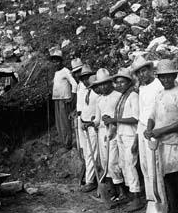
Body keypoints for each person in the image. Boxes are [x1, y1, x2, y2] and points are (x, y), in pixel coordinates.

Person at [145, 59, 178, 213]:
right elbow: (152, 115)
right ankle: (172, 207)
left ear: (174, 76)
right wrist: (149, 129)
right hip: (161, 143)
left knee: (175, 177)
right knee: (166, 177)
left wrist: (160, 131)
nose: (165, 80)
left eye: (168, 77)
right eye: (162, 77)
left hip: (175, 142)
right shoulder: (160, 95)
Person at [131, 56, 163, 206]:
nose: (142, 75)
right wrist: (137, 138)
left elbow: (161, 111)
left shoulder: (158, 85)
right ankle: (151, 199)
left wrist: (153, 130)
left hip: (154, 128)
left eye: (144, 71)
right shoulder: (142, 88)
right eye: (139, 73)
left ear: (150, 70)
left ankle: (160, 199)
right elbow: (141, 115)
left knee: (153, 165)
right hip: (143, 128)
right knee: (144, 164)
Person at [111, 68, 143, 211]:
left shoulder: (133, 96)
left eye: (122, 82)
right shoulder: (122, 96)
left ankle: (137, 198)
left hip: (131, 135)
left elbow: (136, 118)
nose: (119, 85)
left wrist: (115, 119)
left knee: (131, 165)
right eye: (117, 82)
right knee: (124, 164)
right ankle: (130, 195)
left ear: (129, 82)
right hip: (121, 134)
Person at [92, 68, 125, 203]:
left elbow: (121, 115)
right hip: (102, 133)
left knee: (113, 162)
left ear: (110, 82)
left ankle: (123, 191)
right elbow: (97, 120)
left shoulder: (118, 96)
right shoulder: (99, 100)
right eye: (100, 84)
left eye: (105, 83)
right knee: (105, 162)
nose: (103, 86)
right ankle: (113, 192)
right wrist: (90, 123)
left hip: (115, 132)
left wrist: (112, 123)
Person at [74, 64, 98, 193]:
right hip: (84, 124)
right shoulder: (83, 89)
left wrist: (91, 122)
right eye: (83, 78)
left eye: (87, 77)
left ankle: (90, 181)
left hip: (93, 125)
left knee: (92, 153)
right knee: (86, 152)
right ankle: (89, 178)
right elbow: (82, 107)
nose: (85, 80)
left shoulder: (96, 90)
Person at [50, 49, 77, 148]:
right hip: (57, 100)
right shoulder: (56, 73)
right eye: (53, 61)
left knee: (65, 122)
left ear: (61, 61)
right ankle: (64, 142)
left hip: (64, 100)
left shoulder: (65, 71)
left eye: (57, 61)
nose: (55, 63)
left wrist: (72, 98)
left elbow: (74, 84)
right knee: (59, 123)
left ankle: (68, 143)